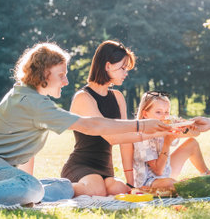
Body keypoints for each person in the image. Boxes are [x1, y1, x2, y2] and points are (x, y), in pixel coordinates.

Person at [0, 42, 169, 206]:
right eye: (61, 75)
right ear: (45, 74)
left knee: (63, 186)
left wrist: (23, 192)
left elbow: (27, 155)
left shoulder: (29, 97)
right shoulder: (34, 103)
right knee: (31, 187)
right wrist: (141, 126)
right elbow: (92, 126)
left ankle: (24, 193)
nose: (66, 81)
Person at [61, 40, 171, 197]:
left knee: (120, 190)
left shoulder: (118, 97)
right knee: (96, 190)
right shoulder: (83, 98)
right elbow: (113, 136)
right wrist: (157, 131)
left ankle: (103, 185)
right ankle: (54, 188)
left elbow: (125, 142)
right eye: (122, 68)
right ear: (107, 66)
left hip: (104, 169)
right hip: (81, 165)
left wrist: (130, 183)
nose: (126, 73)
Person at [131, 91, 210, 189]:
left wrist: (186, 126)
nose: (164, 116)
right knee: (171, 183)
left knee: (192, 143)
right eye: (158, 112)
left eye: (166, 112)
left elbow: (196, 134)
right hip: (149, 182)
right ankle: (188, 186)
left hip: (166, 173)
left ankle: (208, 176)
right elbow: (158, 171)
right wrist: (167, 142)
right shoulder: (142, 136)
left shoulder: (164, 128)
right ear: (145, 114)